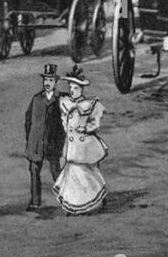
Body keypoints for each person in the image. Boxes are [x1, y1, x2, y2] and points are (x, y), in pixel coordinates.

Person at [53, 66, 108, 215]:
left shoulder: (89, 105)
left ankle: (95, 198)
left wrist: (87, 128)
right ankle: (74, 205)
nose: (72, 91)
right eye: (71, 88)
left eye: (75, 88)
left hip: (83, 145)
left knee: (87, 172)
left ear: (81, 89)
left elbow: (95, 123)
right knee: (73, 174)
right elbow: (65, 124)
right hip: (71, 144)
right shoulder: (66, 104)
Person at [24, 62, 66, 210]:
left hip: (52, 142)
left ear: (55, 82)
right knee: (34, 170)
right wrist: (31, 138)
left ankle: (66, 199)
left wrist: (60, 142)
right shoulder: (36, 98)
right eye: (46, 80)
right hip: (36, 143)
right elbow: (28, 118)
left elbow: (63, 125)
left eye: (51, 80)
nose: (47, 83)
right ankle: (35, 202)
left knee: (56, 171)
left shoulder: (59, 99)